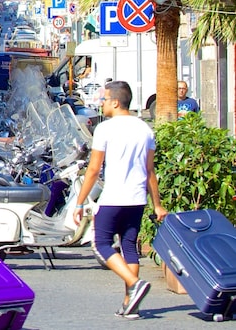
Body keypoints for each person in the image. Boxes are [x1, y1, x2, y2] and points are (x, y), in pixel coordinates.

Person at [74, 81, 167, 319]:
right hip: (138, 198)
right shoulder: (144, 128)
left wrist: (80, 201)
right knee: (128, 245)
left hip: (114, 196)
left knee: (100, 243)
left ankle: (134, 283)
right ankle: (130, 304)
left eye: (104, 99)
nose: (101, 103)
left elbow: (94, 169)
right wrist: (157, 204)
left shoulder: (105, 129)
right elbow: (150, 171)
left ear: (115, 102)